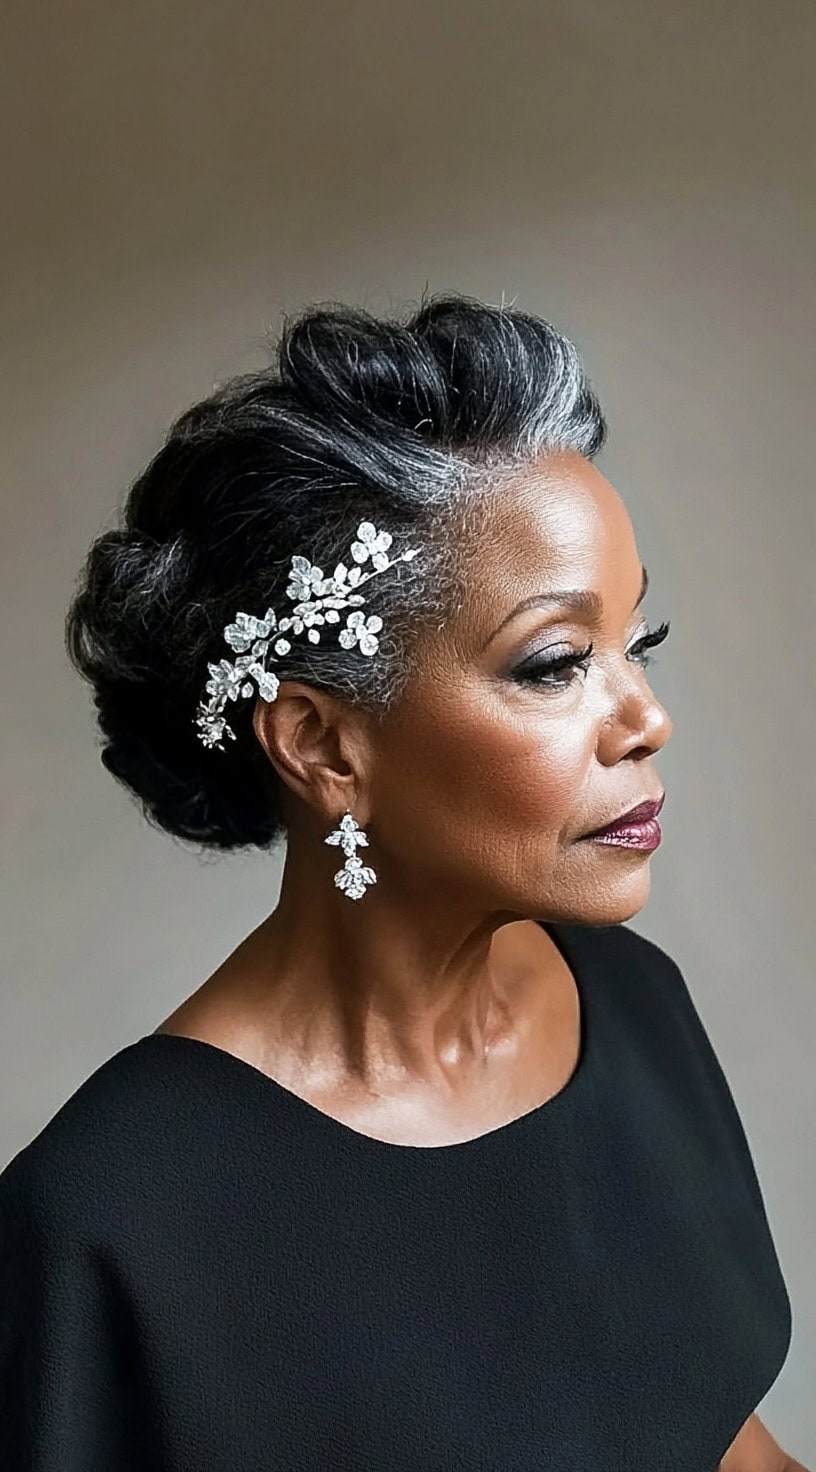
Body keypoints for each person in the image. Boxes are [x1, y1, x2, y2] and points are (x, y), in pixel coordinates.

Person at [0, 293, 801, 1470]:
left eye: (643, 642)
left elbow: (723, 1446)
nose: (647, 718)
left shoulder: (631, 1007)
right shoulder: (105, 1227)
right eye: (556, 662)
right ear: (322, 744)